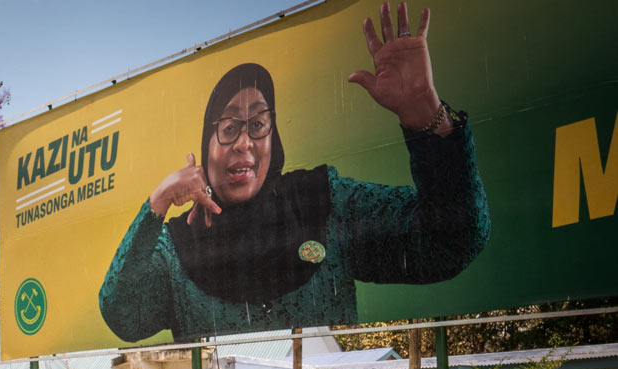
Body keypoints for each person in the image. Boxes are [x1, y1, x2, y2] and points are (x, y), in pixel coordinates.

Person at [98, 2, 490, 342]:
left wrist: (424, 113)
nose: (244, 143)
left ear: (274, 136)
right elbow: (124, 316)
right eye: (228, 127)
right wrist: (158, 203)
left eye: (258, 124)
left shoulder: (323, 202)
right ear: (206, 145)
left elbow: (452, 241)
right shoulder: (178, 244)